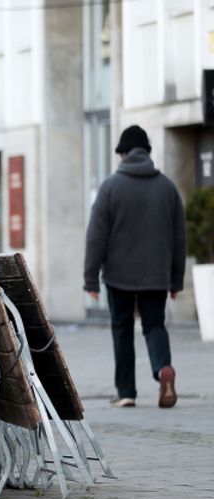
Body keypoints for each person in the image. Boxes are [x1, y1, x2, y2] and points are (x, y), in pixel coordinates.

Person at [84, 125, 186, 409]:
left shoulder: (110, 188)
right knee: (155, 325)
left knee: (122, 329)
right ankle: (162, 368)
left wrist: (90, 280)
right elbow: (180, 238)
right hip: (157, 276)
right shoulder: (167, 188)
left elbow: (96, 237)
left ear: (123, 153)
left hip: (119, 276)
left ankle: (126, 392)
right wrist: (176, 281)